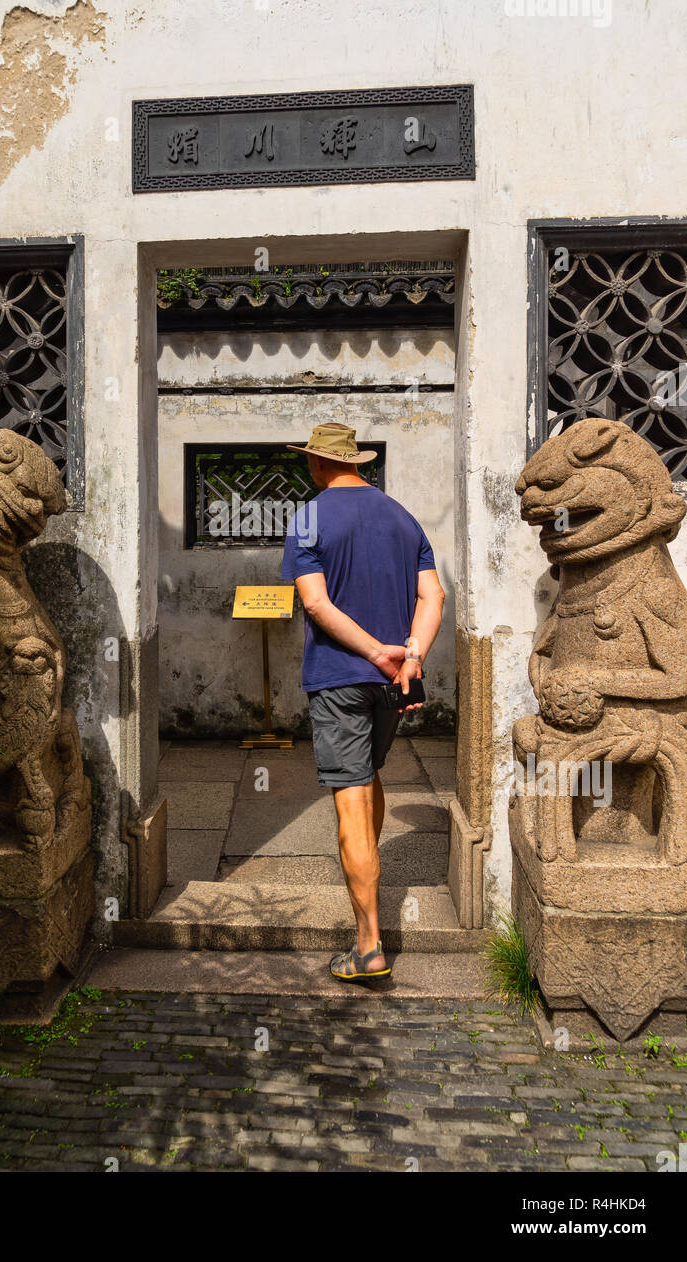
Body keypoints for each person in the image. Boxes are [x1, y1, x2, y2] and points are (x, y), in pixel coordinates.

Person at [281, 422, 445, 985]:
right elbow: (433, 595)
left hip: (342, 677)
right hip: (395, 680)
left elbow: (317, 606)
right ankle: (367, 871)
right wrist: (412, 655)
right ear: (357, 463)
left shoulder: (308, 517)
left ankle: (369, 946)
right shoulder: (403, 516)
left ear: (318, 464)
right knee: (371, 773)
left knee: (350, 800)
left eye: (309, 461)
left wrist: (377, 652)